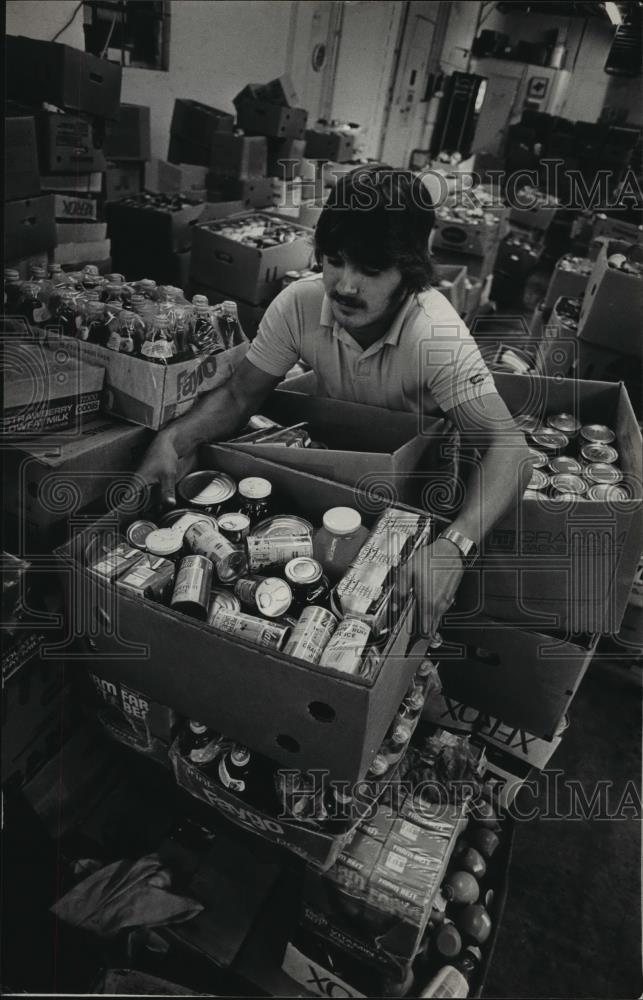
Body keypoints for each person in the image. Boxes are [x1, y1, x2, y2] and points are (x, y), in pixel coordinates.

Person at [138, 167, 531, 639]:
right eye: (335, 261)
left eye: (370, 269)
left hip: (408, 499)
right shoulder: (299, 305)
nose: (345, 285)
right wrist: (173, 438)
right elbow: (241, 394)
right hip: (327, 478)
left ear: (409, 270)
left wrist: (454, 546)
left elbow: (509, 448)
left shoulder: (436, 335)